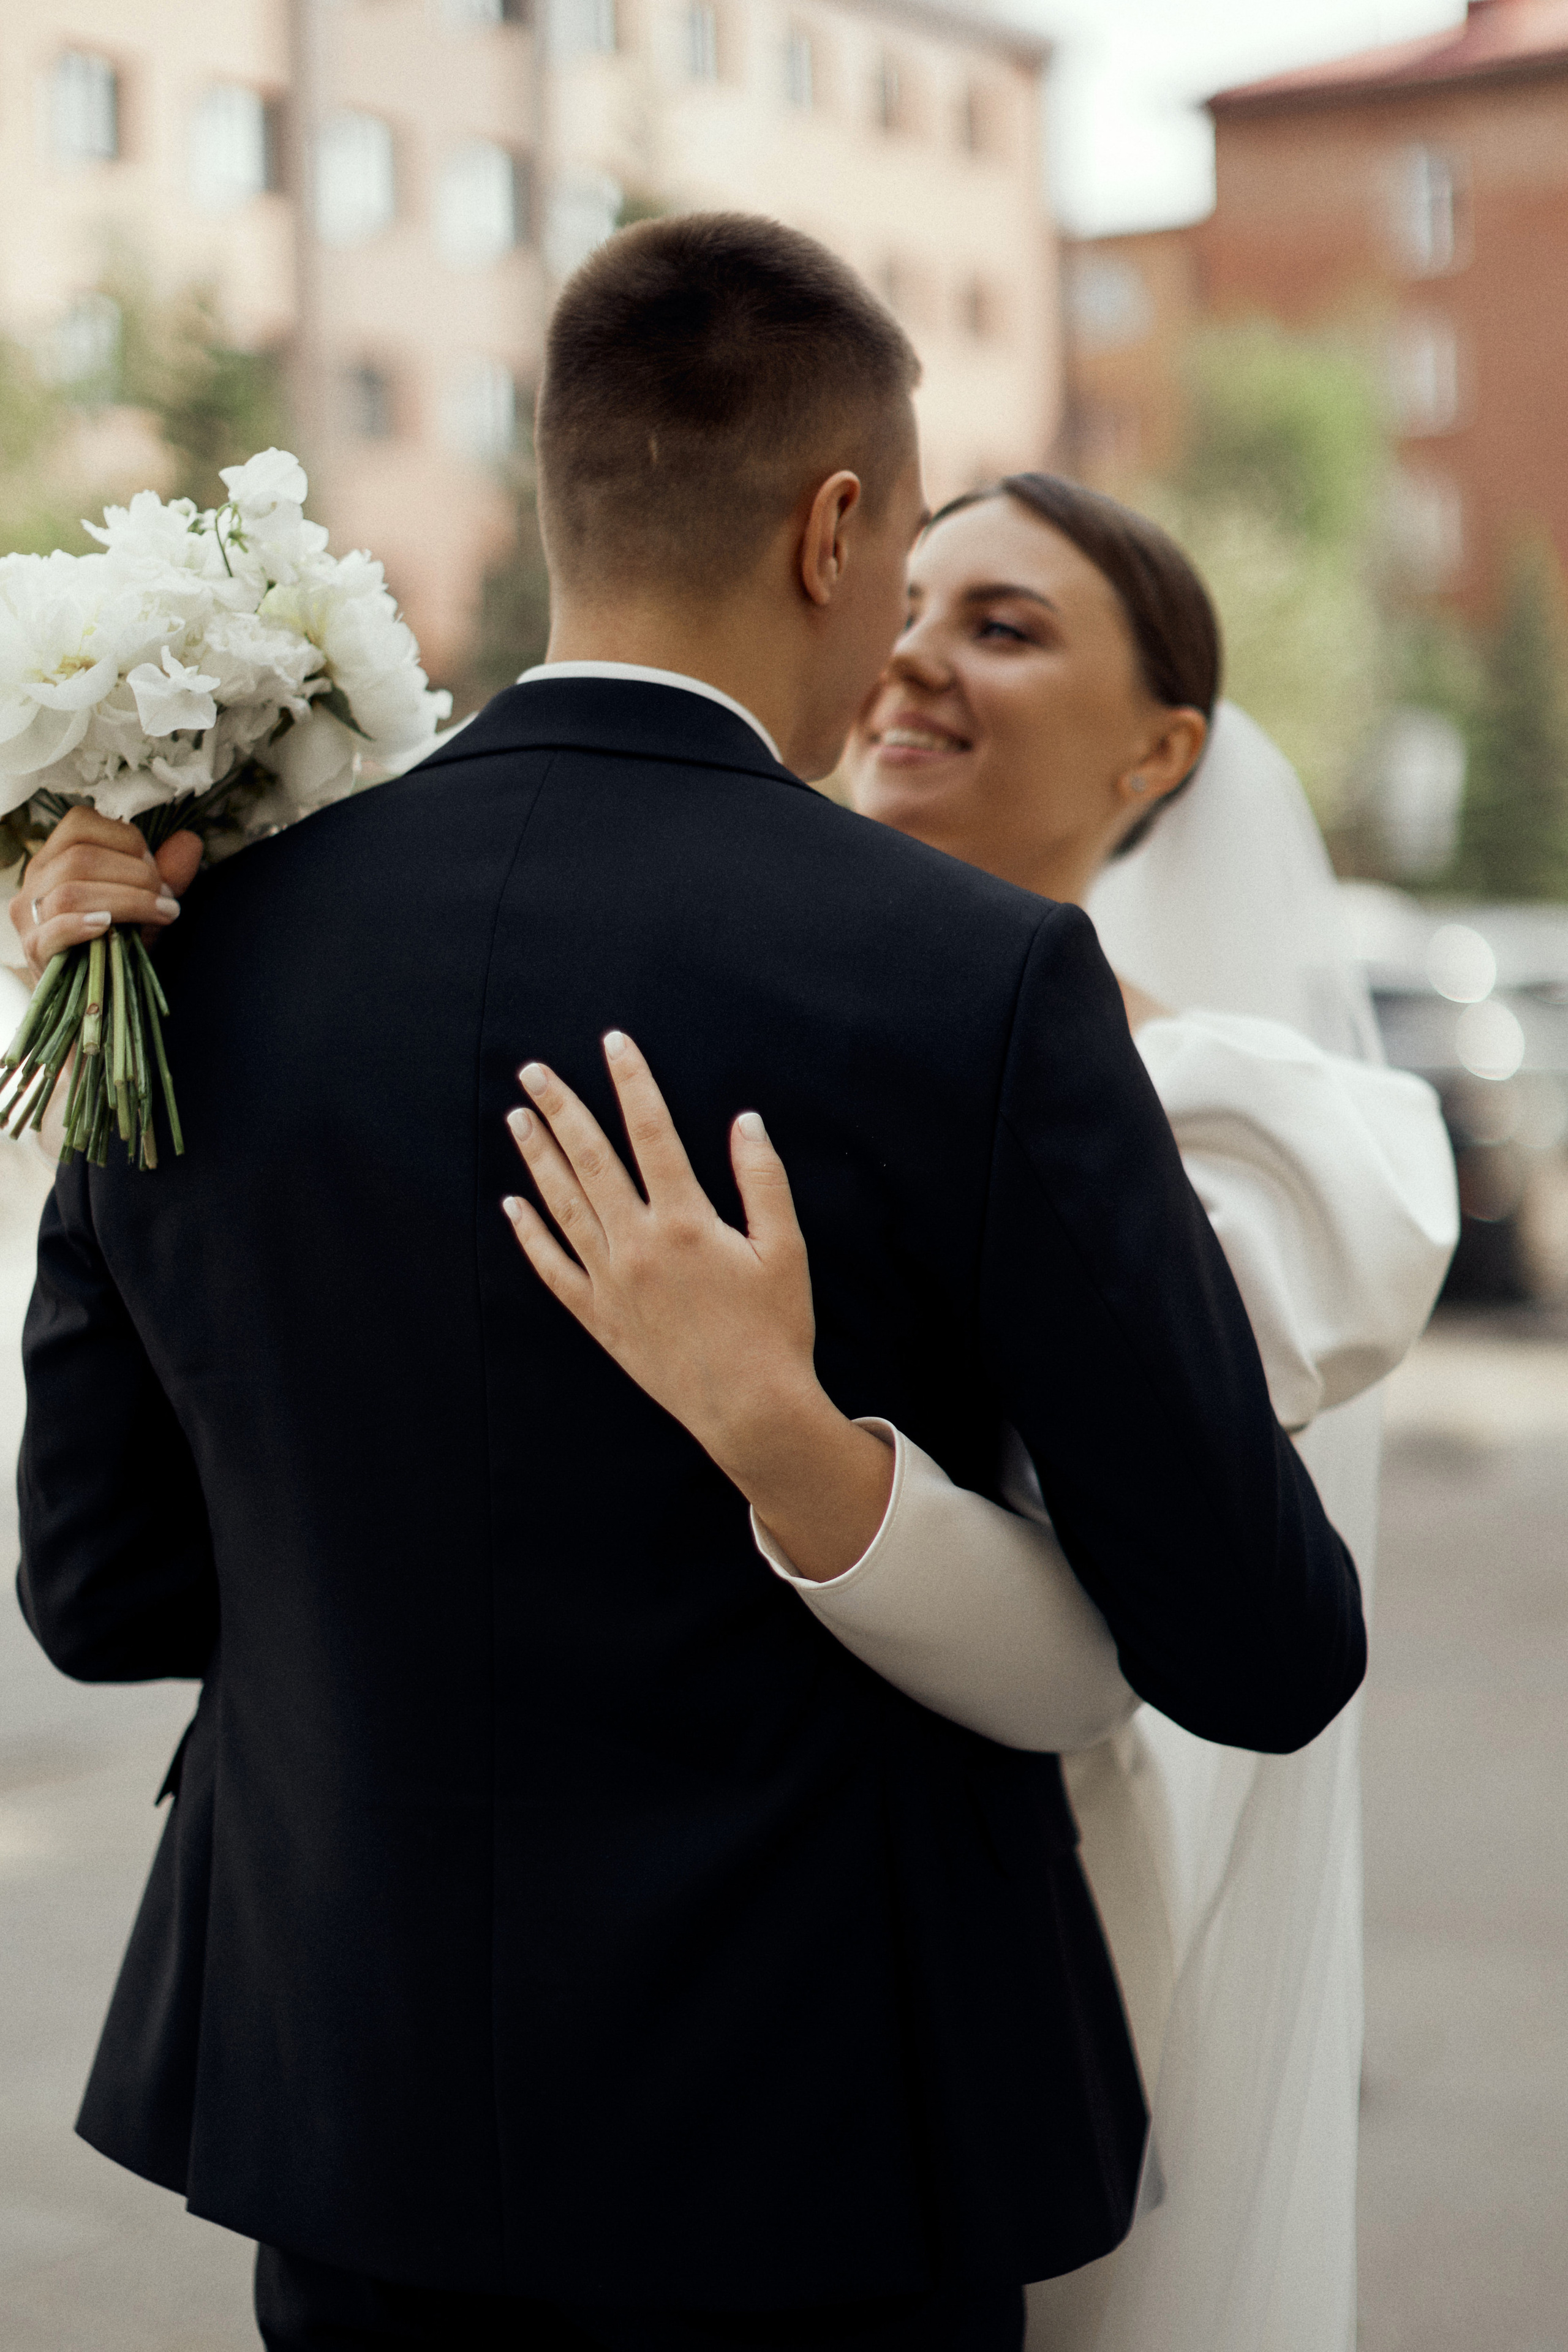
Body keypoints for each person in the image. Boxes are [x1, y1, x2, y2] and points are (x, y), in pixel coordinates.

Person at [14, 219, 1366, 2352]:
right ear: (835, 529)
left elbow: (101, 1600)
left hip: (355, 2136)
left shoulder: (189, 960)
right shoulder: (979, 981)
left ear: (566, 489)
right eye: (910, 554)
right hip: (829, 2169)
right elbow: (1264, 1648)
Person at [484, 480, 1458, 2350]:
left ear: (1162, 746)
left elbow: (1136, 1631)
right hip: (626, 1988)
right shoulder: (734, 1005)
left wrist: (787, 1433)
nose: (916, 650)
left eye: (1005, 626)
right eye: (910, 599)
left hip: (1019, 1936)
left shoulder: (1263, 1137)